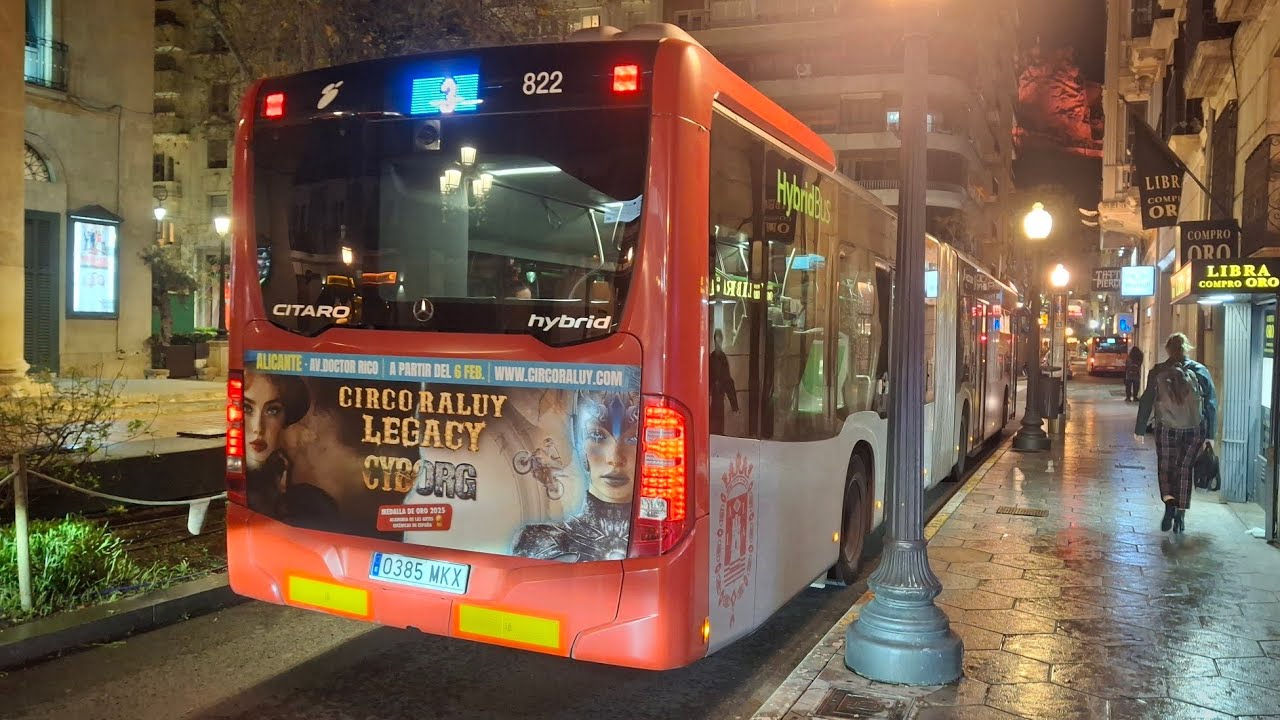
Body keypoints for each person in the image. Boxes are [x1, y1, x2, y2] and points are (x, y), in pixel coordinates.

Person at [512, 391, 639, 562]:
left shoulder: (665, 542)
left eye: (634, 438)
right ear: (577, 437)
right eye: (597, 436)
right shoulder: (539, 542)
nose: (615, 459)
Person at [1134, 333, 1217, 533]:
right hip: (1195, 428)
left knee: (1165, 465)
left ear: (1167, 349)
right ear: (1186, 348)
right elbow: (1211, 404)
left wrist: (1140, 429)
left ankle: (1169, 500)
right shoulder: (1200, 371)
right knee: (1184, 468)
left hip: (1166, 427)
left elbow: (1147, 399)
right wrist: (1211, 434)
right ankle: (1180, 515)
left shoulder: (1158, 371)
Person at [243, 371, 311, 515]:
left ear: (286, 418)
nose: (258, 428)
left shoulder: (313, 503)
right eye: (246, 408)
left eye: (272, 410)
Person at [709, 328, 738, 434]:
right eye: (716, 339)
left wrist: (734, 405)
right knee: (714, 424)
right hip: (713, 398)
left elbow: (728, 381)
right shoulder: (711, 358)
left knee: (718, 424)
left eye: (719, 339)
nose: (718, 342)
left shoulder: (722, 358)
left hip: (719, 397)